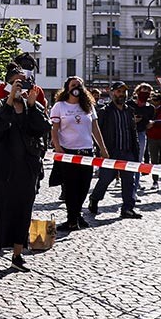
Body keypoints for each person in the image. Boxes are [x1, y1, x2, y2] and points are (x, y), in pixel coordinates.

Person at [0, 69, 47, 270]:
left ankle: (17, 256)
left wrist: (33, 106)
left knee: (24, 211)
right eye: (17, 83)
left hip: (27, 168)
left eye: (24, 83)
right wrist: (8, 101)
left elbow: (42, 128)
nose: (21, 87)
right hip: (3, 169)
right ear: (7, 85)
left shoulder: (33, 107)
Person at [85, 81, 142, 220]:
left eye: (123, 92)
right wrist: (101, 151)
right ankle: (94, 198)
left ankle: (127, 208)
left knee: (129, 181)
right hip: (111, 152)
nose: (121, 94)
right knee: (106, 179)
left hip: (127, 151)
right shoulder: (105, 112)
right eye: (118, 92)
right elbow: (97, 132)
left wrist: (136, 151)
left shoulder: (129, 111)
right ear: (112, 93)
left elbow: (133, 132)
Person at [48, 76, 98, 232]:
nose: (77, 87)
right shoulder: (59, 106)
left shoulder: (88, 106)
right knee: (70, 187)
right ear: (67, 88)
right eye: (73, 84)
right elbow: (54, 129)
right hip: (68, 151)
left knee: (84, 186)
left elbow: (95, 129)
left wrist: (103, 148)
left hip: (86, 151)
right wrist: (58, 147)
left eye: (80, 85)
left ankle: (76, 215)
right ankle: (72, 219)